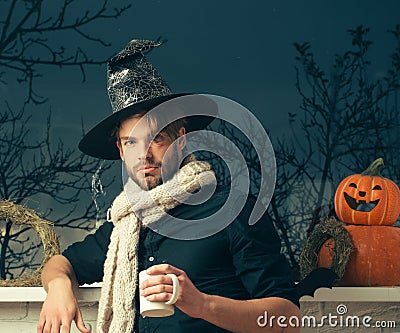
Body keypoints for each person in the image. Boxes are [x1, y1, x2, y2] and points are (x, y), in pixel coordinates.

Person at [37, 39, 300, 333]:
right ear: (122, 151)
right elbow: (61, 264)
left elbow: (288, 318)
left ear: (182, 139)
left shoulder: (233, 210)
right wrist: (59, 288)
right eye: (131, 142)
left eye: (156, 138)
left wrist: (201, 304)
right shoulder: (125, 226)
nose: (144, 154)